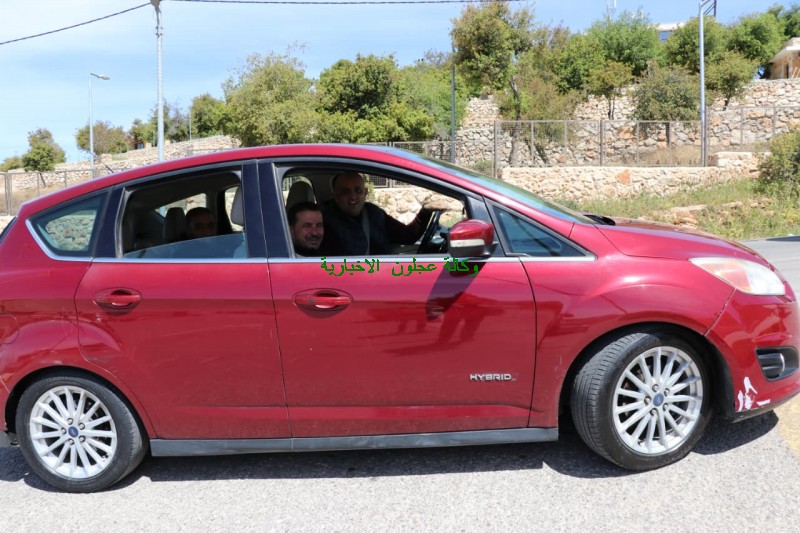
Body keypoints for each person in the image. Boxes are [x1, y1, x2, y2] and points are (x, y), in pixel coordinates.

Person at [321, 171, 444, 256]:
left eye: (358, 190)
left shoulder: (373, 214)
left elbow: (408, 236)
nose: (353, 197)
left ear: (365, 193)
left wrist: (425, 211)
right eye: (345, 192)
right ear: (335, 196)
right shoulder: (323, 222)